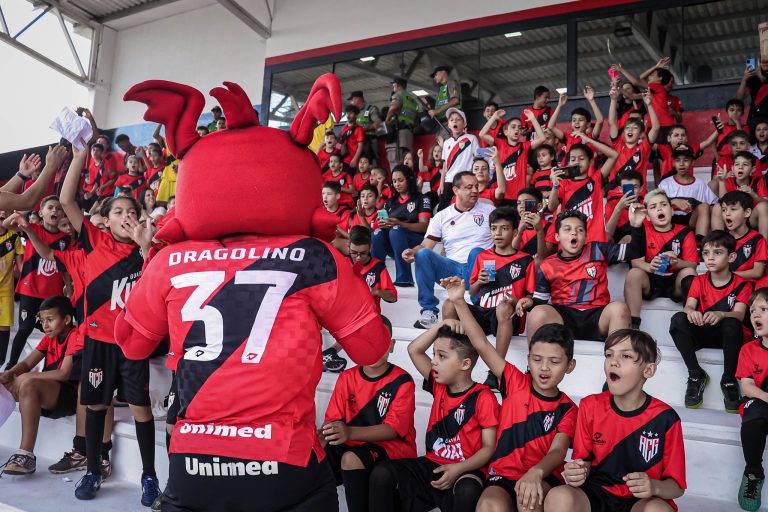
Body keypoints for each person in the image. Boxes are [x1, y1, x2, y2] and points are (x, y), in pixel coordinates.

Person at [57, 143, 159, 504]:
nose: (125, 215)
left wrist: (146, 248)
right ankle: (92, 470)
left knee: (140, 409)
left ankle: (149, 476)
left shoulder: (149, 248)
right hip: (100, 341)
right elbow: (67, 198)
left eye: (131, 210)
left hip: (133, 342)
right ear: (107, 218)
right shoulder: (94, 240)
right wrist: (80, 156)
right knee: (97, 406)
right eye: (118, 211)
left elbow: (156, 292)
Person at [447, 281, 577, 512]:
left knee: (529, 500)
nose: (544, 368)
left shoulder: (567, 408)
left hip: (542, 476)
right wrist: (459, 301)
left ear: (569, 366)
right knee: (489, 504)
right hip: (503, 474)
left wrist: (536, 472)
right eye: (537, 360)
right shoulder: (515, 382)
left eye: (554, 362)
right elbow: (480, 343)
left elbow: (557, 452)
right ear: (528, 360)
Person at [544, 329, 686, 512]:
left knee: (658, 510)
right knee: (559, 496)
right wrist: (578, 472)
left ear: (648, 370)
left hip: (639, 502)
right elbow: (583, 461)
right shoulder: (590, 406)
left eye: (626, 356)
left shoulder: (665, 418)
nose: (614, 362)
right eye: (609, 355)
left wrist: (653, 486)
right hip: (596, 494)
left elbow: (677, 487)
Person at [368, 319, 499, 512]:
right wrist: (440, 325)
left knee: (468, 489)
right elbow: (414, 350)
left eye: (442, 356)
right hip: (433, 464)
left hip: (466, 469)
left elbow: (489, 449)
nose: (434, 361)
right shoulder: (439, 386)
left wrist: (458, 468)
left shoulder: (483, 397)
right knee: (382, 473)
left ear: (465, 364)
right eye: (434, 355)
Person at [321, 315, 416, 512]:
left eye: (381, 341)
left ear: (391, 345)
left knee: (350, 458)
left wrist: (348, 433)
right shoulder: (347, 377)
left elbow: (392, 430)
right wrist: (322, 436)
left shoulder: (402, 380)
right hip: (353, 444)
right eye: (367, 342)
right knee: (314, 457)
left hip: (393, 448)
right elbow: (333, 421)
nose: (374, 348)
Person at [442, 207, 535, 389]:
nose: (497, 233)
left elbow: (531, 297)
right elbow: (474, 292)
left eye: (504, 228)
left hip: (507, 316)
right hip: (483, 313)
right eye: (493, 228)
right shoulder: (483, 256)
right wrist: (479, 282)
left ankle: (495, 371)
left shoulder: (526, 260)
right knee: (448, 304)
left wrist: (516, 301)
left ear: (515, 231)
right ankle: (450, 360)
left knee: (503, 307)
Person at [669, 230, 753, 412]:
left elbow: (739, 314)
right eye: (706, 253)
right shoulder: (698, 281)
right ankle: (695, 375)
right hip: (703, 331)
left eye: (717, 253)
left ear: (731, 257)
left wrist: (722, 314)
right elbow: (689, 306)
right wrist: (692, 313)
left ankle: (729, 380)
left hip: (728, 337)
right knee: (678, 319)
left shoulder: (742, 284)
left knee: (732, 324)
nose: (710, 258)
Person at [403, 171, 494, 329]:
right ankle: (429, 312)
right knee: (422, 254)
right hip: (453, 271)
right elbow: (426, 245)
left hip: (479, 269)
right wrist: (413, 251)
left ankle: (479, 304)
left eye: (476, 187)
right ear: (456, 190)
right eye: (469, 187)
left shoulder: (489, 211)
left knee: (477, 252)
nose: (475, 190)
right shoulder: (442, 216)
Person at [0, 296, 78, 476]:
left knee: (29, 383)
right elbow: (26, 364)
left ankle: (25, 455)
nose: (45, 325)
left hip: (69, 395)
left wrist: (27, 376)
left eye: (50, 320)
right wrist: (9, 374)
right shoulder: (49, 337)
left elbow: (63, 373)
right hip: (49, 390)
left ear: (66, 319)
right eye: (42, 321)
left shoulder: (75, 335)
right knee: (13, 380)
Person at [527, 210, 633, 343]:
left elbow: (634, 251)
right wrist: (529, 302)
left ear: (585, 236)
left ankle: (618, 360)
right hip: (564, 318)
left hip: (597, 315)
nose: (574, 233)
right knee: (537, 313)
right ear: (557, 237)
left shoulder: (598, 250)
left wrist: (636, 226)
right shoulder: (547, 265)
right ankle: (534, 362)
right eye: (567, 229)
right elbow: (539, 302)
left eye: (580, 230)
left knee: (620, 308)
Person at [2, 196, 70, 370]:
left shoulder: (66, 239)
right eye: (50, 208)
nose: (55, 211)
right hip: (30, 290)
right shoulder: (32, 229)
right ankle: (11, 365)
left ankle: (52, 365)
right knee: (24, 328)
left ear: (62, 213)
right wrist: (23, 209)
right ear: (41, 213)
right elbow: (7, 224)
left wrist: (68, 288)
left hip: (53, 294)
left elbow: (66, 267)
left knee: (55, 331)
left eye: (58, 208)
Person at [323, 226, 398, 373]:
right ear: (348, 246)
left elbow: (393, 297)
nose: (358, 257)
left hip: (368, 317)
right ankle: (329, 355)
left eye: (363, 253)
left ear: (370, 247)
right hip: (344, 315)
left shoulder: (378, 267)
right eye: (354, 253)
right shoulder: (341, 264)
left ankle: (331, 353)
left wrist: (376, 291)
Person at [623, 190, 698, 330]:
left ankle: (691, 321)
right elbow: (636, 262)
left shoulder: (685, 232)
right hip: (651, 281)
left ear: (672, 210)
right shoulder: (642, 229)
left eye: (663, 204)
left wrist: (677, 262)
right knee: (634, 273)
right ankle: (633, 326)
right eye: (653, 207)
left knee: (689, 272)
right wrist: (650, 267)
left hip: (675, 282)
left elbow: (692, 264)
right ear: (648, 217)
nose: (659, 208)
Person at [548, 138, 618, 243]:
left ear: (590, 162)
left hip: (595, 242)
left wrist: (588, 139)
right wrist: (555, 185)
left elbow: (614, 155)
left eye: (581, 158)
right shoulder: (563, 184)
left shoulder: (596, 180)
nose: (577, 162)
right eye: (573, 159)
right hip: (571, 244)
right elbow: (551, 207)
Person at [371, 165, 431, 287]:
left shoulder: (421, 198)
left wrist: (399, 224)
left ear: (409, 180)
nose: (397, 184)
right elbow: (389, 226)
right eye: (394, 181)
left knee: (396, 230)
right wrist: (384, 224)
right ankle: (375, 275)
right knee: (377, 233)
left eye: (400, 180)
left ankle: (404, 278)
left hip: (416, 242)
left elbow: (424, 226)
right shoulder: (390, 202)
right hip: (395, 241)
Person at [737, 288, 768, 511]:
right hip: (760, 402)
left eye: (763, 309)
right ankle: (753, 473)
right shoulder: (748, 349)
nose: (755, 315)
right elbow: (747, 387)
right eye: (752, 310)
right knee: (755, 414)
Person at [479, 109, 546, 203]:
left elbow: (542, 138)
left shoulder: (525, 146)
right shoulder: (499, 143)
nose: (517, 130)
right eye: (513, 127)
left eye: (519, 128)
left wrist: (533, 119)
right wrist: (494, 117)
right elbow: (482, 134)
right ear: (505, 131)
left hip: (517, 197)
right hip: (499, 194)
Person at [658, 144, 718, 243]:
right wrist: (673, 202)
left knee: (704, 206)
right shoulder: (665, 183)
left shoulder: (699, 184)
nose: (681, 164)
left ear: (693, 162)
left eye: (686, 160)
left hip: (690, 221)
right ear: (673, 163)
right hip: (670, 220)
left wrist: (698, 209)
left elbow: (715, 206)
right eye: (677, 160)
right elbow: (654, 203)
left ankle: (699, 243)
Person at [715, 191, 768, 281]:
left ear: (747, 213)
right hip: (725, 288)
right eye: (724, 210)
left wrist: (729, 275)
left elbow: (757, 272)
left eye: (733, 209)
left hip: (748, 287)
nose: (727, 213)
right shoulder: (721, 239)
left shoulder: (757, 239)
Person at [712, 154, 768, 240]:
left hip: (751, 218)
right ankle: (718, 242)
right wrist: (722, 182)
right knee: (717, 207)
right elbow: (723, 202)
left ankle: (764, 244)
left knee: (763, 206)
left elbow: (765, 202)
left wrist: (753, 194)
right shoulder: (728, 180)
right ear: (732, 168)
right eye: (737, 164)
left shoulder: (757, 180)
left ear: (753, 169)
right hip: (733, 216)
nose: (740, 167)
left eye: (745, 165)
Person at [547, 87, 605, 162]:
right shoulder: (567, 138)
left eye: (580, 120)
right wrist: (559, 106)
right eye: (574, 120)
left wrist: (591, 100)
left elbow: (600, 121)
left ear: (588, 124)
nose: (577, 122)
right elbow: (550, 126)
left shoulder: (591, 137)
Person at [438, 108, 480, 210]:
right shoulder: (447, 142)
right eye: (452, 120)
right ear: (448, 124)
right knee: (442, 210)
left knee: (465, 207)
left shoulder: (471, 138)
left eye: (458, 119)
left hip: (465, 180)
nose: (455, 121)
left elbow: (478, 157)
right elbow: (445, 165)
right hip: (449, 181)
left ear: (464, 123)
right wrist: (441, 184)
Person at [0, 210, 22, 368]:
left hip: (6, 291)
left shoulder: (14, 237)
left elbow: (20, 268)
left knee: (3, 326)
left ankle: (1, 361)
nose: (2, 215)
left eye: (4, 214)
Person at [384, 77, 419, 172]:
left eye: (394, 85)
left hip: (398, 133)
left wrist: (386, 121)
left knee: (396, 162)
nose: (393, 87)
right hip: (408, 134)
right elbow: (416, 121)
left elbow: (394, 107)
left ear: (397, 85)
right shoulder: (413, 100)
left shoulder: (398, 95)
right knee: (406, 161)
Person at [347, 90, 382, 163]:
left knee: (372, 162)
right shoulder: (353, 113)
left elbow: (378, 123)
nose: (351, 103)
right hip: (356, 143)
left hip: (370, 141)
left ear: (357, 99)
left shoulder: (371, 109)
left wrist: (362, 129)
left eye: (352, 100)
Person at [736, 57, 768, 133]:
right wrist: (745, 78)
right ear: (759, 63)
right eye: (764, 62)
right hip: (756, 117)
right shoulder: (754, 79)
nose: (766, 65)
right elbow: (739, 98)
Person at [340, 104, 365, 170]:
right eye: (347, 113)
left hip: (352, 159)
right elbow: (341, 142)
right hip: (343, 158)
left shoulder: (359, 129)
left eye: (351, 113)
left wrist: (355, 159)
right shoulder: (344, 127)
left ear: (356, 115)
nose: (348, 115)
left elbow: (360, 146)